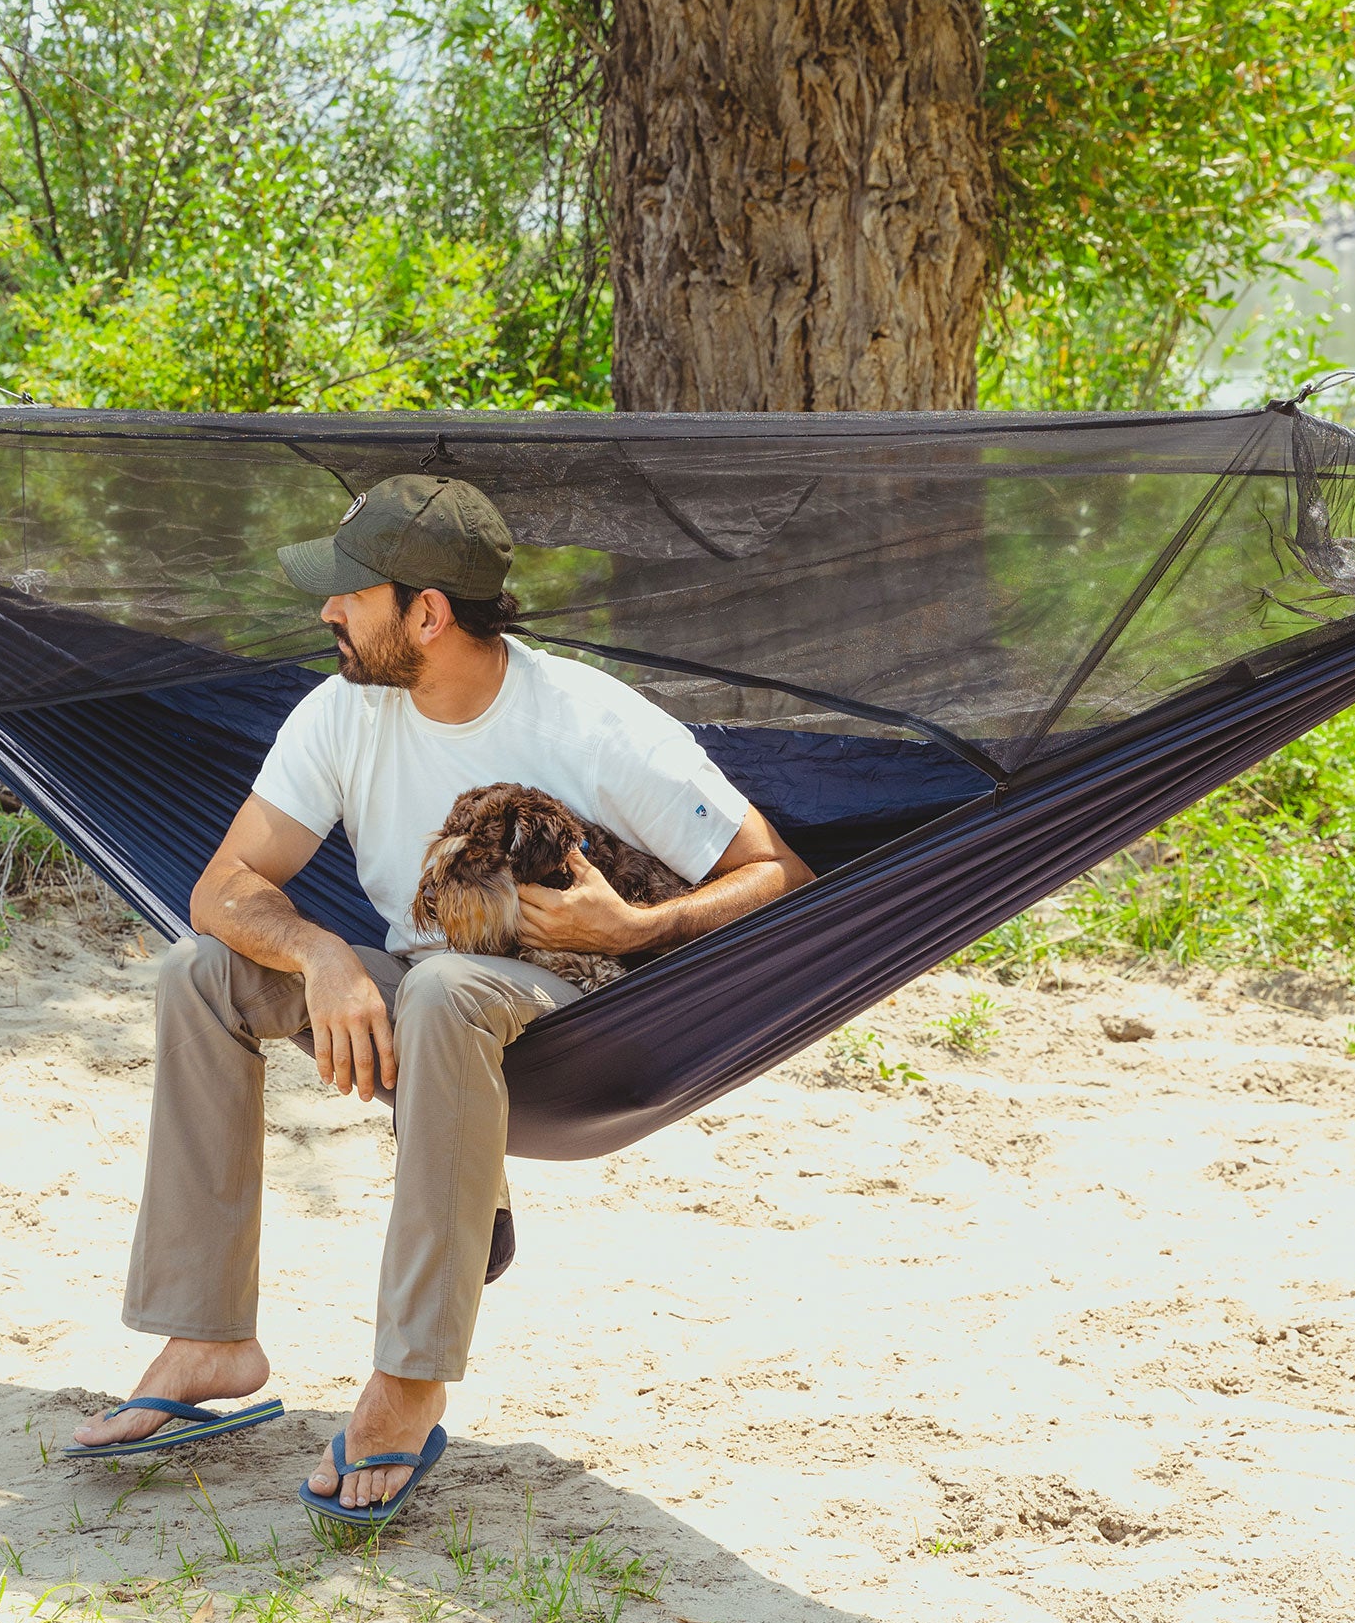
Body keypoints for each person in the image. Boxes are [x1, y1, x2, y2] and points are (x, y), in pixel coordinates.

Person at [73, 474, 814, 1511]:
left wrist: (640, 926)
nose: (326, 610)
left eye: (348, 592)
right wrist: (324, 957)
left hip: (578, 1018)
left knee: (446, 986)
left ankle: (409, 1376)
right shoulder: (341, 711)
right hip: (416, 988)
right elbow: (223, 889)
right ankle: (207, 1339)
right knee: (204, 970)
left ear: (426, 612)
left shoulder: (592, 721)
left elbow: (780, 873)